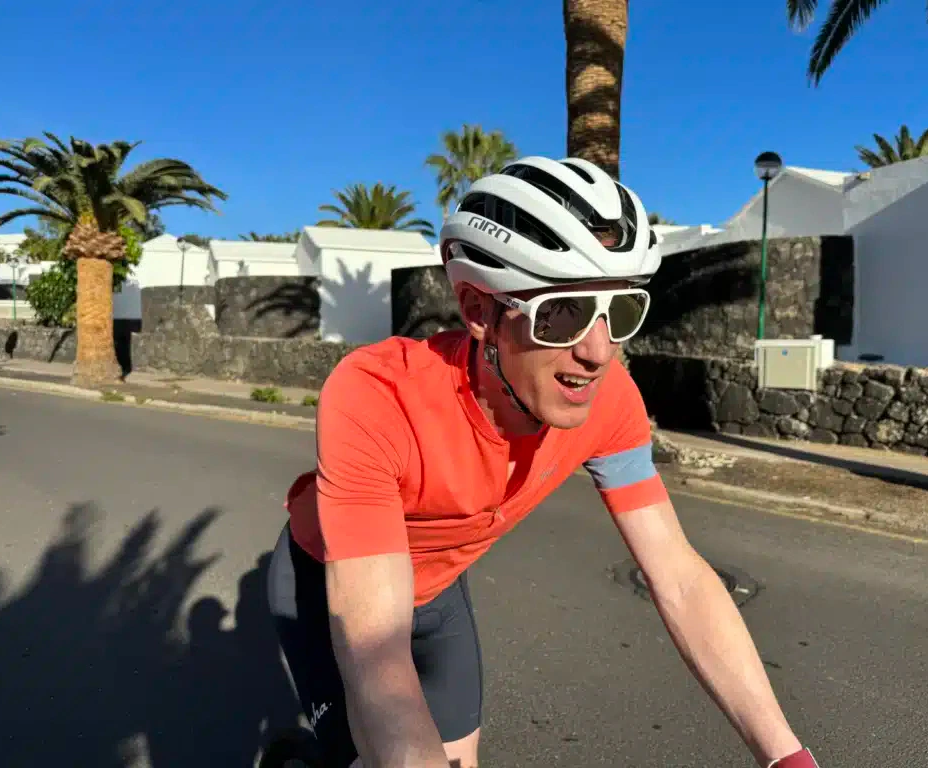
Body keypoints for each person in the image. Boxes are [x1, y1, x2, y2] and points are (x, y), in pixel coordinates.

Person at [267, 155, 820, 768]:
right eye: (563, 313)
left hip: (441, 588)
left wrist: (787, 756)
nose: (597, 351)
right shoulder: (377, 396)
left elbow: (681, 578)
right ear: (480, 311)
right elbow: (377, 655)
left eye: (622, 312)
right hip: (329, 587)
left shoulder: (610, 400)